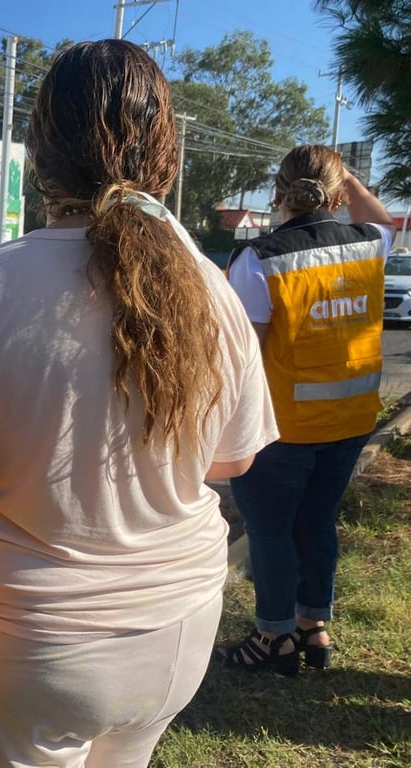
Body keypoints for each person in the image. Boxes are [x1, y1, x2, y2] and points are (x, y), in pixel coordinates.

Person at [0, 40, 279, 768]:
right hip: (175, 628)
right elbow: (231, 457)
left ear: (40, 157)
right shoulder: (213, 290)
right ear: (165, 157)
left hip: (20, 639)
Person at [219, 145, 394, 674]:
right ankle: (311, 628)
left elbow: (245, 358)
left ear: (279, 192)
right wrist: (350, 179)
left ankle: (273, 639)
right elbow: (382, 217)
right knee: (317, 522)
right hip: (350, 421)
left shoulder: (259, 258)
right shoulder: (369, 243)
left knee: (271, 529)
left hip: (283, 427)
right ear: (339, 194)